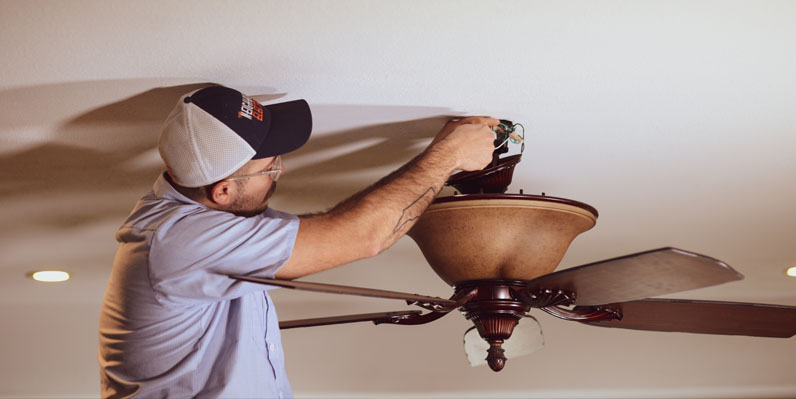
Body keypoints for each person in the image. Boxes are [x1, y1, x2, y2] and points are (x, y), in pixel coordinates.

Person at [98, 85, 498, 398]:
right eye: (271, 166)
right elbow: (363, 236)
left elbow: (335, 228)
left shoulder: (197, 222)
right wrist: (447, 156)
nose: (280, 171)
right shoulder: (181, 242)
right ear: (222, 192)